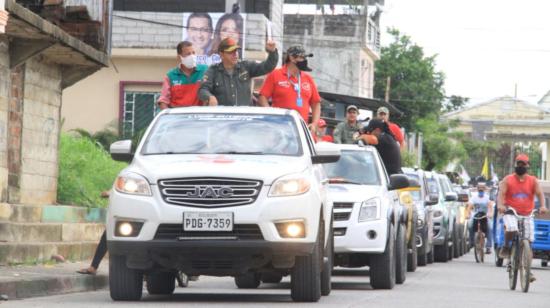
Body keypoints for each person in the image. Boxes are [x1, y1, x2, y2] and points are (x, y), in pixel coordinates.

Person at [497, 154, 548, 281]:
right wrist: (501, 205)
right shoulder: (507, 179)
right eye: (518, 164)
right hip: (510, 212)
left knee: (528, 242)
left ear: (527, 166)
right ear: (515, 164)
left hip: (527, 213)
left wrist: (542, 206)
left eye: (523, 164)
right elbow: (501, 194)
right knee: (511, 228)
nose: (520, 166)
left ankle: (527, 270)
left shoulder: (533, 181)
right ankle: (507, 247)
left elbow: (540, 194)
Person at [258, 45, 321, 134]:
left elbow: (316, 104)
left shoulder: (308, 78)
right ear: (292, 58)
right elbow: (262, 98)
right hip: (278, 128)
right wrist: (271, 115)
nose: (305, 61)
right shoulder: (275, 74)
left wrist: (314, 124)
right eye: (302, 57)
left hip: (301, 130)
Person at [199, 37, 278, 106]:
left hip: (244, 117)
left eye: (236, 51)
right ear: (221, 54)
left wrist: (273, 52)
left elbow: (267, 67)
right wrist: (210, 97)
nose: (235, 54)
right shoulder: (213, 71)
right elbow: (203, 90)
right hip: (223, 118)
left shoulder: (246, 66)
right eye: (230, 52)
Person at [157, 41, 209, 109]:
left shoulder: (205, 70)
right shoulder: (171, 76)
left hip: (198, 116)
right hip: (178, 117)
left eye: (193, 53)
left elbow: (211, 93)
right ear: (179, 57)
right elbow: (163, 101)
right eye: (188, 54)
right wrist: (170, 116)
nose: (192, 56)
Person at [467, 182, 494, 254]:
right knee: (470, 226)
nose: (481, 190)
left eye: (482, 189)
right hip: (475, 215)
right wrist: (468, 214)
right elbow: (469, 206)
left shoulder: (487, 197)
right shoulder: (474, 197)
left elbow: (490, 206)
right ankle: (471, 242)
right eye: (479, 189)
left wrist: (490, 213)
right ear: (477, 189)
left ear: (484, 189)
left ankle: (488, 247)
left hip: (485, 215)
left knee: (490, 227)